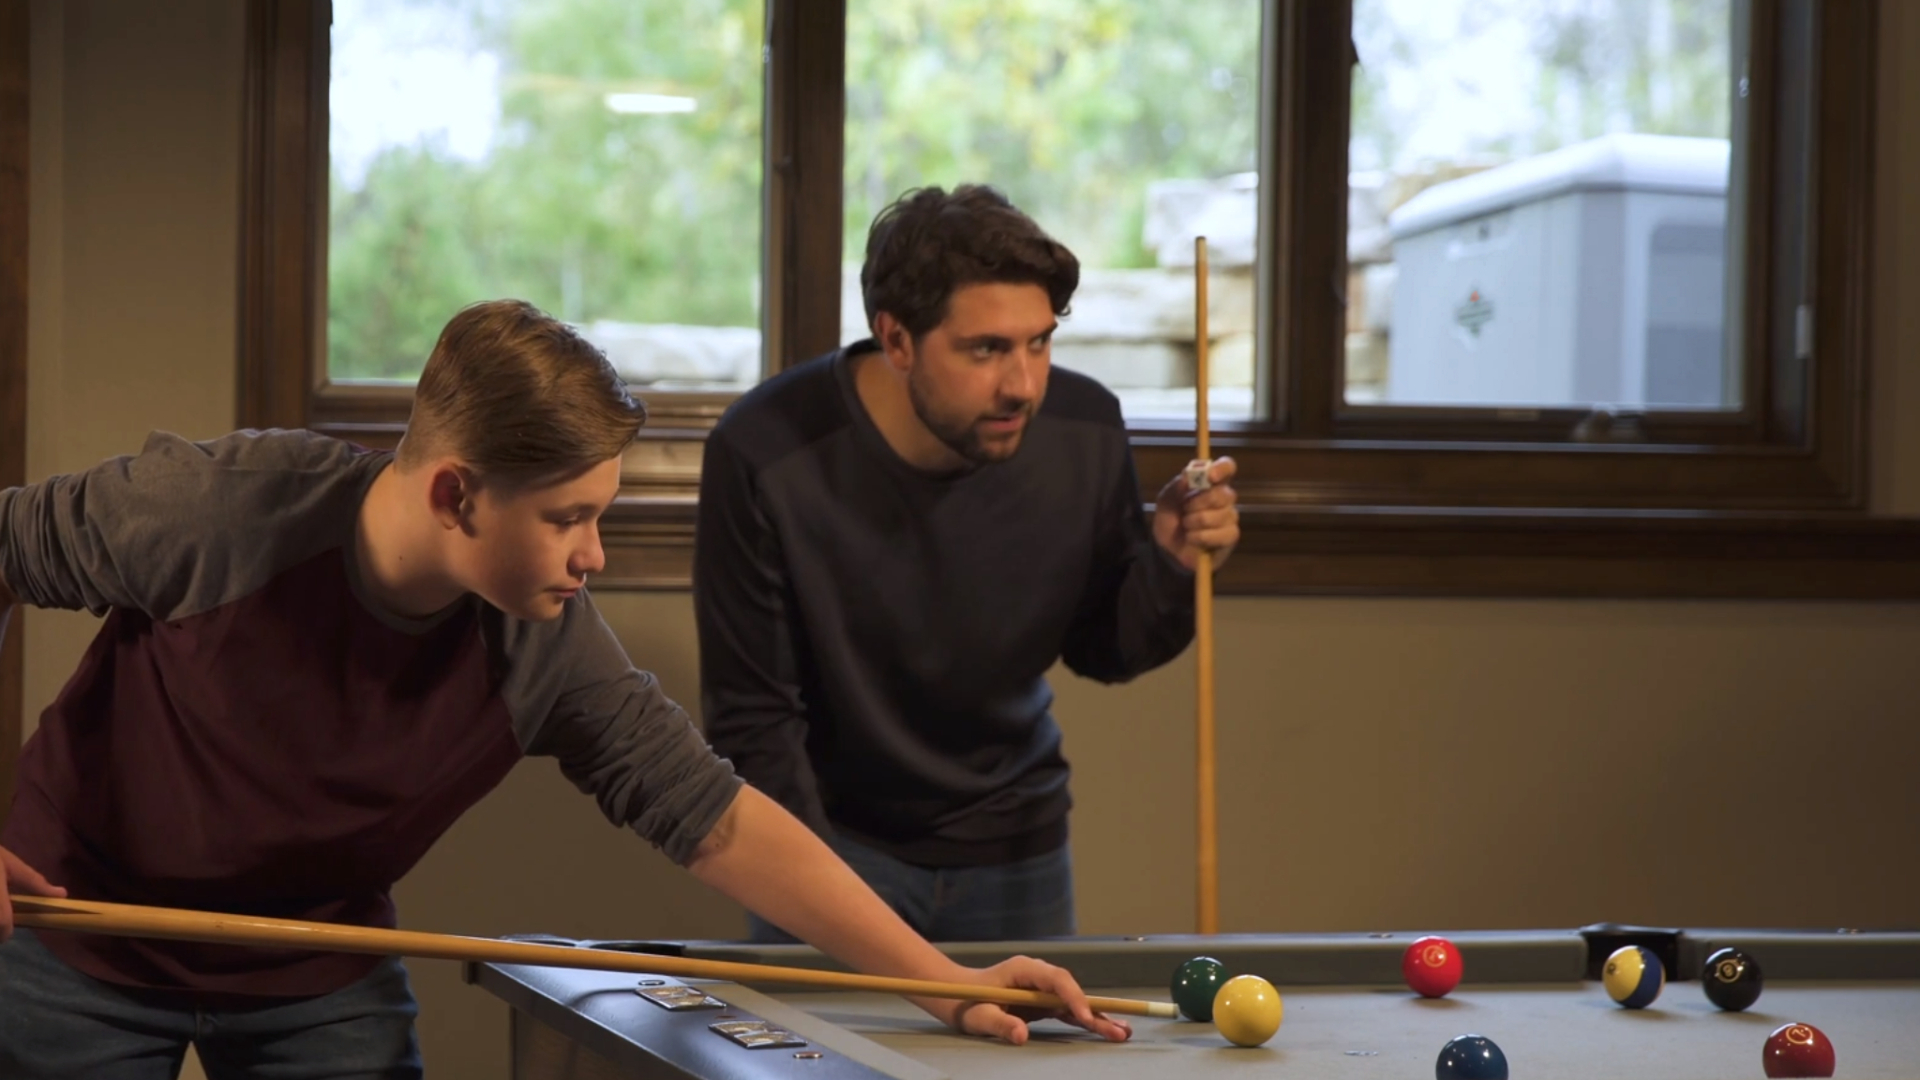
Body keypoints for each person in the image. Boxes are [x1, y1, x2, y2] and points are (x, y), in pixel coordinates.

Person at [0, 299, 1131, 1080]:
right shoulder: (215, 514)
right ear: (455, 496)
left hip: (316, 961)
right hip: (71, 930)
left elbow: (712, 813)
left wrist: (937, 983)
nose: (591, 555)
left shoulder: (542, 646)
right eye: (567, 518)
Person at [694, 184, 1241, 945]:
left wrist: (1173, 562)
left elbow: (1106, 647)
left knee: (1024, 1067)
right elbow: (755, 719)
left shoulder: (1084, 428)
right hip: (830, 843)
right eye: (985, 350)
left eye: (1040, 342)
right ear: (897, 340)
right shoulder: (766, 451)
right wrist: (827, 898)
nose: (1021, 384)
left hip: (1018, 845)